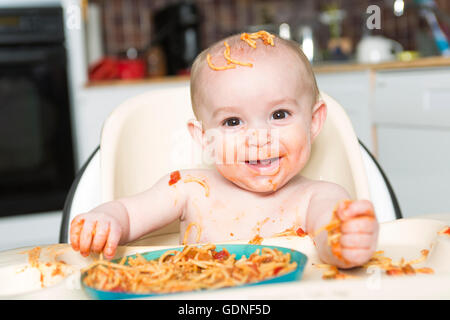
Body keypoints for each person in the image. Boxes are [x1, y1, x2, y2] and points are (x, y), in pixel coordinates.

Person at [70, 31, 378, 269]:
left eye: (279, 115)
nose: (258, 138)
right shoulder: (189, 190)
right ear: (204, 139)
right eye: (233, 121)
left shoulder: (319, 197)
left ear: (313, 122)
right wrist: (106, 220)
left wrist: (345, 242)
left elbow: (328, 235)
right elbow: (127, 213)